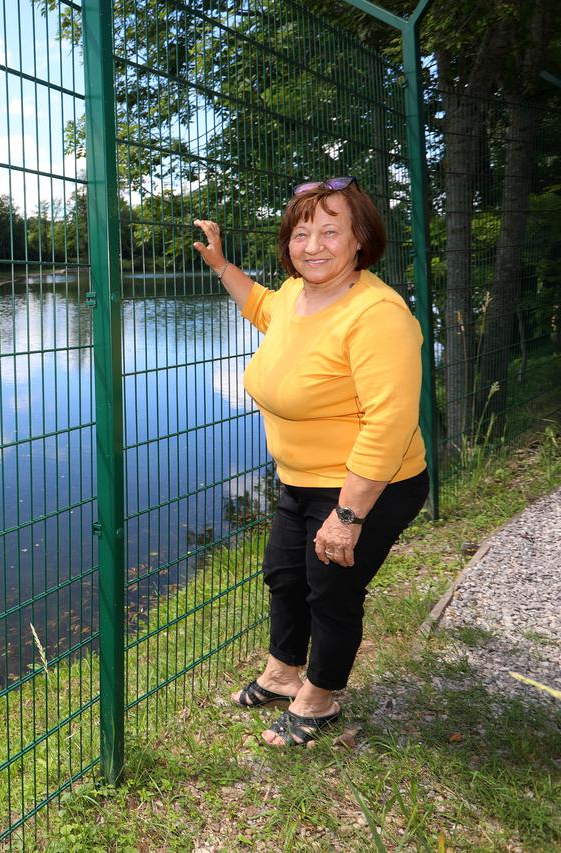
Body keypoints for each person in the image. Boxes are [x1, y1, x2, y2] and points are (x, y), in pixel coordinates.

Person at [191, 176, 429, 747]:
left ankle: (320, 698)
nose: (314, 245)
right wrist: (223, 266)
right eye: (302, 233)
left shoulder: (378, 315)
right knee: (285, 575)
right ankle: (282, 674)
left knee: (331, 590)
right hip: (299, 478)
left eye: (330, 231)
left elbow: (389, 423)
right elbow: (264, 307)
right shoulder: (299, 294)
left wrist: (347, 517)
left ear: (360, 241)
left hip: (368, 484)